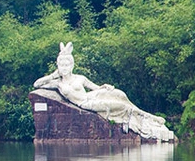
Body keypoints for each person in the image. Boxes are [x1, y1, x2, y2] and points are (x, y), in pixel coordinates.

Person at [34, 42, 175, 142]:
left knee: (119, 94)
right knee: (121, 107)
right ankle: (150, 119)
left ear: (72, 65)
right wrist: (53, 75)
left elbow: (95, 88)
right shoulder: (58, 84)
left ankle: (149, 117)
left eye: (67, 64)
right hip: (86, 103)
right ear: (58, 66)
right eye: (61, 65)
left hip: (92, 95)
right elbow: (37, 84)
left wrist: (104, 87)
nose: (64, 67)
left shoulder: (80, 78)